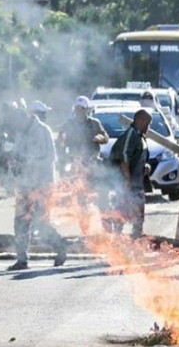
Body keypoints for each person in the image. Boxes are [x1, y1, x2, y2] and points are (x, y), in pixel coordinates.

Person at [8, 107, 66, 270]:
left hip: (41, 184)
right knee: (20, 222)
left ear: (24, 118)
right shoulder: (20, 133)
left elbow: (51, 159)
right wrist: (13, 164)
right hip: (24, 184)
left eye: (16, 122)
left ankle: (61, 246)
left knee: (41, 223)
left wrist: (28, 163)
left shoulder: (43, 131)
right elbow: (15, 155)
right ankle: (22, 259)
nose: (15, 126)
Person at [58, 96, 111, 228]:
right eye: (77, 109)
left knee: (99, 192)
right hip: (75, 162)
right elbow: (60, 142)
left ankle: (104, 221)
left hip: (92, 161)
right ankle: (83, 220)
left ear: (87, 110)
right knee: (76, 192)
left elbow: (105, 137)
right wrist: (63, 153)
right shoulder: (68, 124)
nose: (79, 111)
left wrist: (100, 137)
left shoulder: (94, 123)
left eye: (82, 109)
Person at [109, 109, 152, 240]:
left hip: (137, 183)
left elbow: (138, 156)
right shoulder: (131, 134)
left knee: (138, 215)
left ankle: (136, 239)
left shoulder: (141, 136)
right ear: (140, 120)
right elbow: (124, 157)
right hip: (126, 183)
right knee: (121, 213)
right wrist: (127, 180)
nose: (148, 127)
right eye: (147, 123)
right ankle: (117, 240)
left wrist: (145, 166)